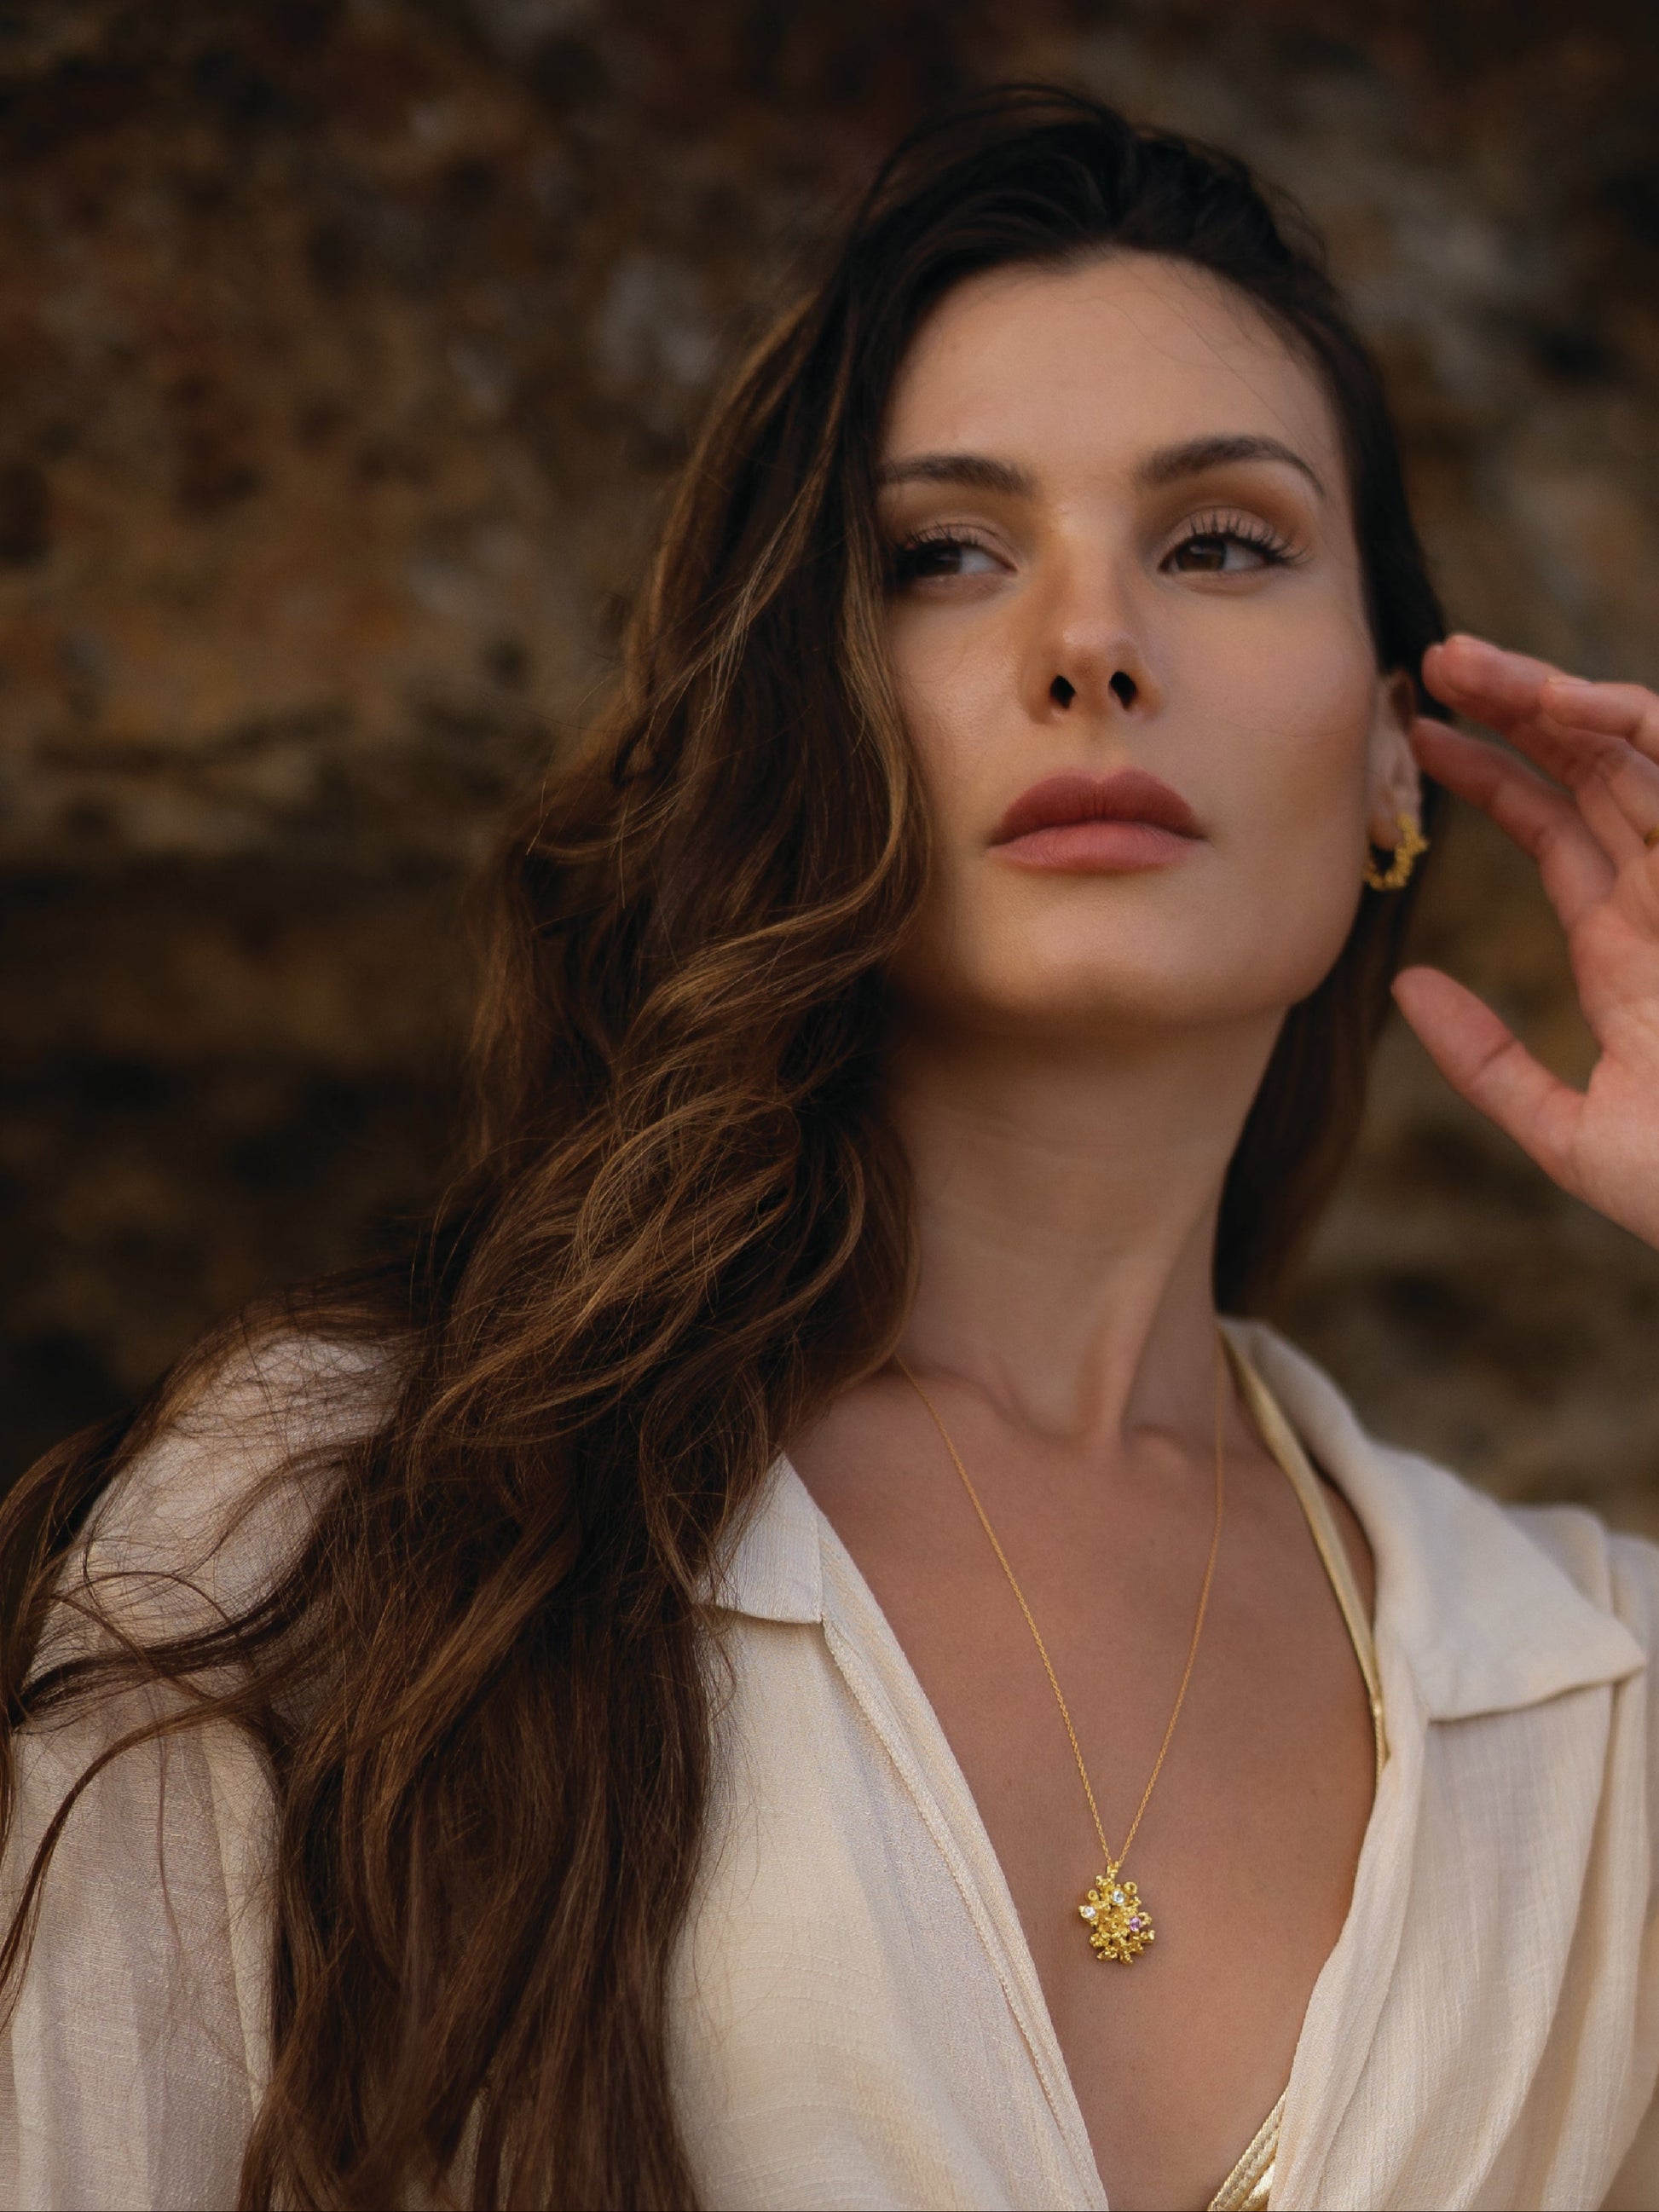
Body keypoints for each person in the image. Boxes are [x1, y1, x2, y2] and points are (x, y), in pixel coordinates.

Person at [2, 83, 1657, 2212]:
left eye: (1222, 542)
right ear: (803, 701)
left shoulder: (1589, 1703)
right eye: (942, 555)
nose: (1091, 644)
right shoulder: (345, 1518)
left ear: (1392, 759)